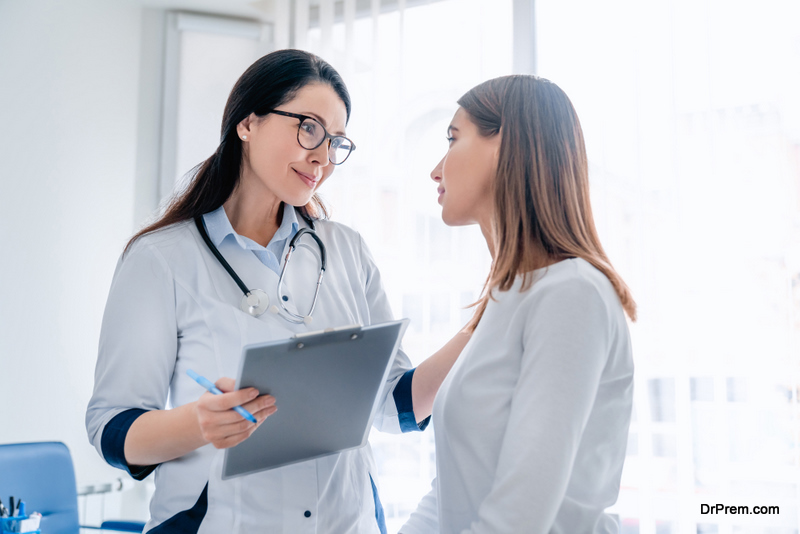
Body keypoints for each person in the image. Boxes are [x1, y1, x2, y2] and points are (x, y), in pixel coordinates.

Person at [85, 49, 469, 534]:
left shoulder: (346, 252)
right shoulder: (161, 259)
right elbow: (112, 430)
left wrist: (487, 319)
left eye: (336, 142)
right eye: (309, 128)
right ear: (248, 123)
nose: (323, 157)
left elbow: (395, 406)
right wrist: (199, 424)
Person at [400, 75, 637, 534]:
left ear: (504, 145)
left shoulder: (572, 294)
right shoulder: (505, 299)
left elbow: (517, 517)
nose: (436, 169)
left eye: (453, 139)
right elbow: (456, 488)